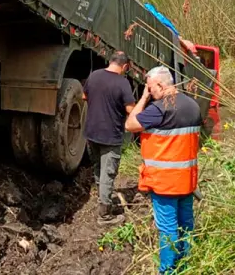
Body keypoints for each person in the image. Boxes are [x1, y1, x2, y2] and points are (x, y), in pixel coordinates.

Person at [126, 66, 202, 274]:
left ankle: (167, 271)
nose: (150, 93)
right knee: (186, 224)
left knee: (167, 229)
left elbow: (130, 124)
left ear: (160, 85)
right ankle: (185, 266)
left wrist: (142, 99)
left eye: (150, 88)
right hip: (187, 181)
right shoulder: (193, 106)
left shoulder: (159, 108)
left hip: (165, 183)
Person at [82, 51, 136, 224]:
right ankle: (104, 215)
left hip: (91, 132)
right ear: (125, 66)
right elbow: (130, 110)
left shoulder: (95, 75)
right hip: (110, 135)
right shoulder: (122, 82)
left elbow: (84, 96)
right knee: (108, 173)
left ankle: (102, 198)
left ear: (111, 61)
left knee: (98, 167)